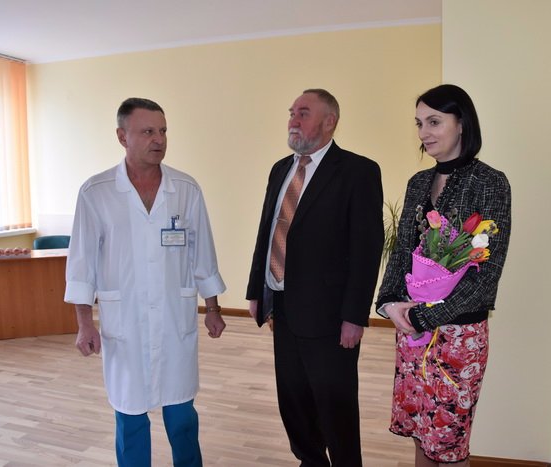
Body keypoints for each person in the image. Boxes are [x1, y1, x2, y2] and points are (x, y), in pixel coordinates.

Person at [64, 97, 226, 467]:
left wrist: (213, 308)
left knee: (182, 415)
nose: (159, 139)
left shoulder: (186, 188)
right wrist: (85, 323)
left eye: (163, 130)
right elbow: (82, 264)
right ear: (122, 136)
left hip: (174, 318)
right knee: (130, 416)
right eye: (148, 131)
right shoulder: (96, 192)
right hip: (126, 323)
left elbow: (202, 252)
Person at [246, 89, 384, 466]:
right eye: (291, 113)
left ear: (329, 121)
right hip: (283, 309)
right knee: (293, 402)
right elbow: (267, 232)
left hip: (330, 318)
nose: (293, 120)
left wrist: (354, 316)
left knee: (335, 408)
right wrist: (257, 290)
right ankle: (310, 461)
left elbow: (366, 248)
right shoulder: (281, 169)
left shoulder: (358, 171)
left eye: (303, 113)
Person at [376, 84, 511, 467]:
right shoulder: (418, 182)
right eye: (419, 123)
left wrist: (424, 316)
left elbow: (487, 274)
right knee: (422, 434)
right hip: (412, 333)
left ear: (462, 123)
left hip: (459, 337)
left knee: (450, 446)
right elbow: (402, 251)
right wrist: (389, 303)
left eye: (434, 122)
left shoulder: (490, 182)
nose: (424, 132)